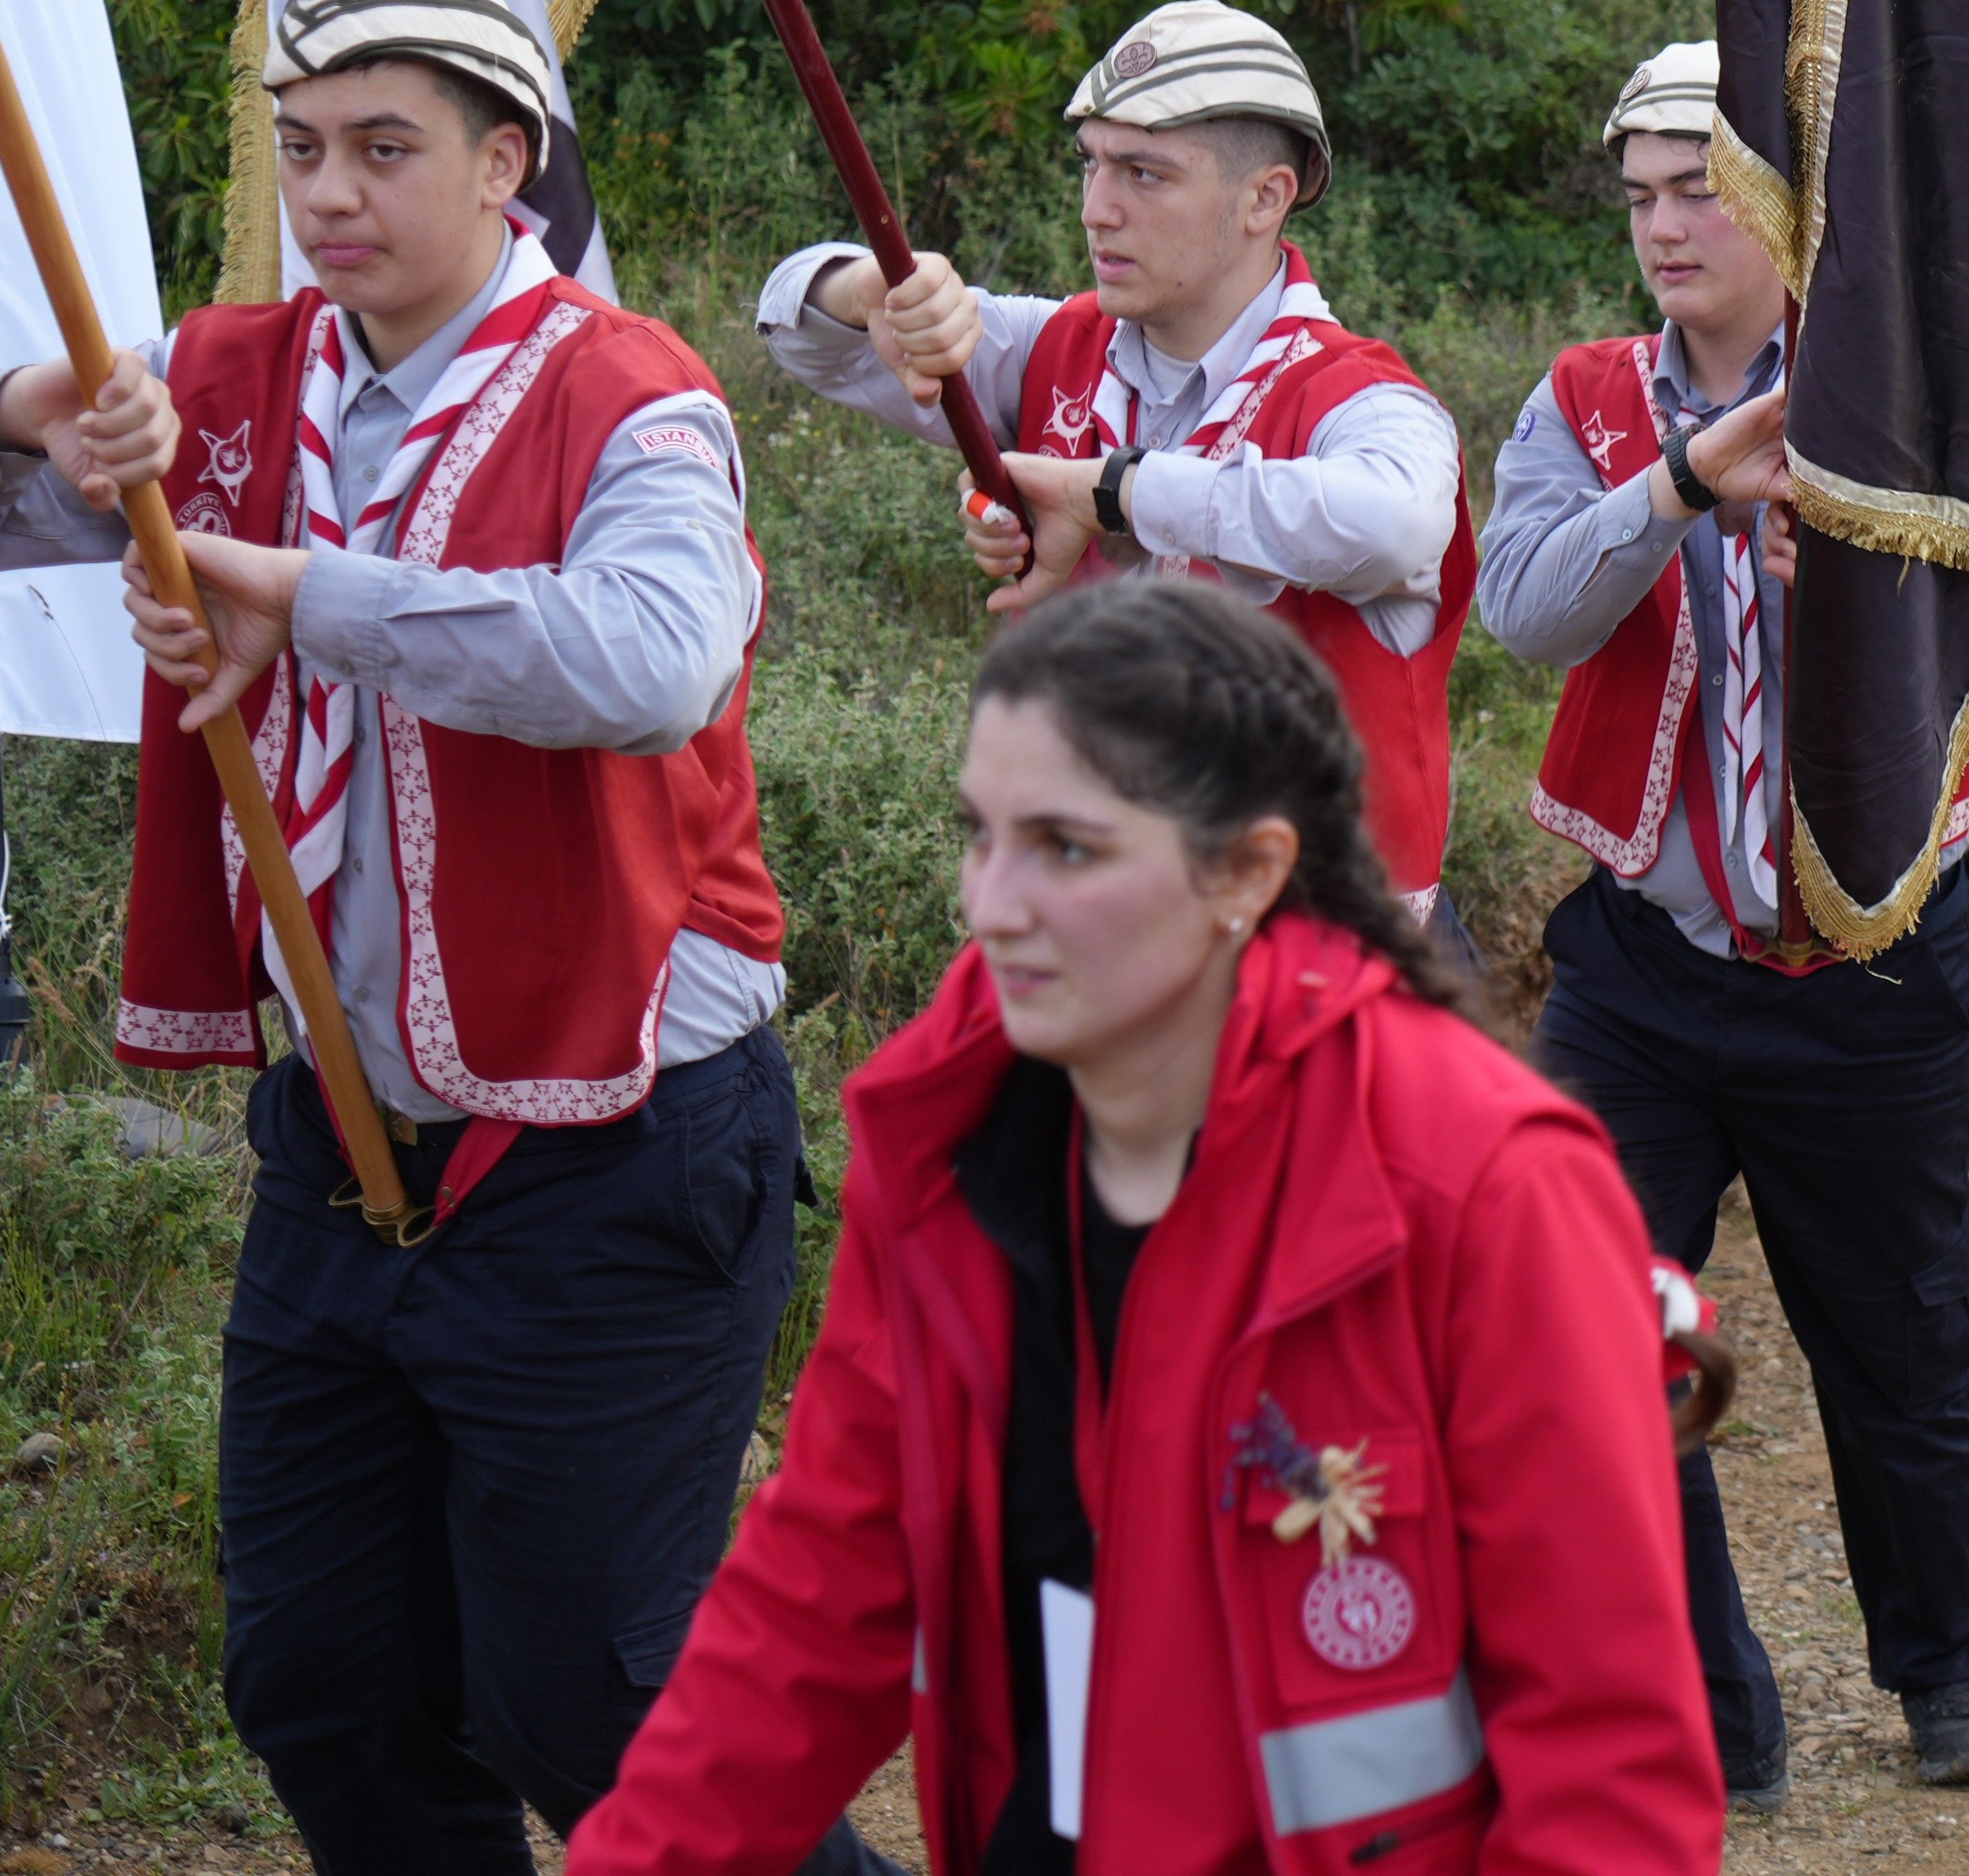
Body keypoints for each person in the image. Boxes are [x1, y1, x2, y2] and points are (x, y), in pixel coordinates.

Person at [0, 0, 860, 1876]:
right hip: (337, 1135)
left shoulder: (636, 400)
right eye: (302, 148)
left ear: (508, 161)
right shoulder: (223, 381)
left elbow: (644, 659)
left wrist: (294, 589)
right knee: (323, 1676)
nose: (328, 196)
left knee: (598, 1701)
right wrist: (45, 401)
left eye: (384, 149)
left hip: (617, 1136)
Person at [565, 584, 1716, 1876]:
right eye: (980, 835)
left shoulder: (1483, 1181)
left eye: (1066, 847)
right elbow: (818, 1596)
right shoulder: (949, 1125)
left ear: (1248, 870)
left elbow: (1610, 1776)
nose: (992, 902)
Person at [1485, 42, 1969, 1809]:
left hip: (1875, 961)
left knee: (1898, 1328)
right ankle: (1707, 1705)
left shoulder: (1914, 386)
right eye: (1639, 196)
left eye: (1700, 187)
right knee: (1598, 1327)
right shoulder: (1592, 398)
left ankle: (1947, 1668)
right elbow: (1523, 611)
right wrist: (1685, 483)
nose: (1664, 226)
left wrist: (1876, 574)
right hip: (1646, 966)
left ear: (1789, 206)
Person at [762, 0, 1477, 927]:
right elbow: (798, 332)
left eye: (1145, 172)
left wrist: (1117, 493)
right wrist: (871, 291)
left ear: (1266, 197)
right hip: (1100, 961)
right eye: (1092, 162)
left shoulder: (1365, 400)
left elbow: (1398, 525)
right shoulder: (1055, 344)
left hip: (1328, 989)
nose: (1098, 207)